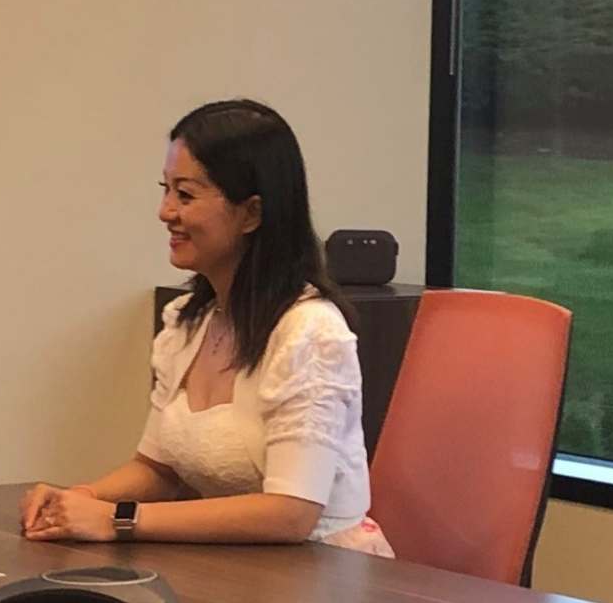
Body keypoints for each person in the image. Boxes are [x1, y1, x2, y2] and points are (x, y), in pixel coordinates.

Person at [23, 98, 391, 554]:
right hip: (232, 570)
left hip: (323, 581)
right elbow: (158, 468)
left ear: (252, 214)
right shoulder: (186, 321)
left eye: (186, 195)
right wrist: (81, 498)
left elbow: (292, 513)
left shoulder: (309, 333)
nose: (165, 212)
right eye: (166, 190)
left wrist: (118, 519)